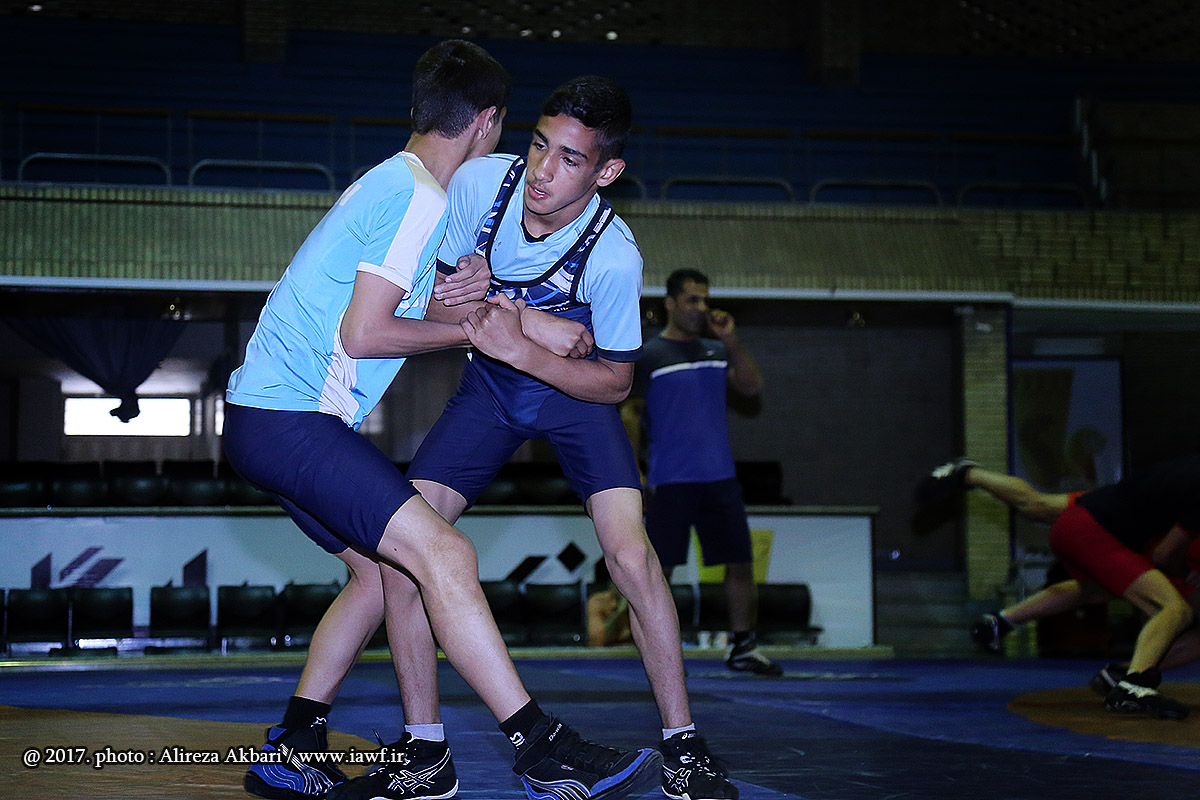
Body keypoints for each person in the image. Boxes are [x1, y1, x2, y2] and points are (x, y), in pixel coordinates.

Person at [223, 42, 659, 800]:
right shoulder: (422, 198)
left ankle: (297, 741)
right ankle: (539, 747)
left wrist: (512, 318)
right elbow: (368, 333)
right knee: (447, 555)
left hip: (267, 418)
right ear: (488, 123)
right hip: (290, 420)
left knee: (385, 571)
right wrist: (487, 334)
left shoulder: (391, 181)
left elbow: (409, 304)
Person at [387, 76, 738, 800]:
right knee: (401, 556)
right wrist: (522, 318)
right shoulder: (481, 183)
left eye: (570, 159)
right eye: (540, 145)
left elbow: (614, 383)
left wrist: (524, 347)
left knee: (632, 557)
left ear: (606, 172)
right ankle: (424, 749)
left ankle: (682, 742)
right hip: (488, 394)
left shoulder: (614, 255)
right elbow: (430, 296)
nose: (543, 171)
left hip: (575, 402)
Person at [919, 456, 1200, 720]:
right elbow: (1165, 556)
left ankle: (1001, 620)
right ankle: (1133, 683)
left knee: (1093, 582)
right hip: (1097, 529)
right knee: (1173, 608)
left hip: (1097, 513)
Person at [621, 269, 781, 677]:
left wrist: (731, 340)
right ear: (670, 303)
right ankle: (663, 654)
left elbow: (751, 387)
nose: (701, 308)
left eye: (705, 299)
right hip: (671, 479)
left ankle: (742, 647)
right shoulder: (650, 355)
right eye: (692, 299)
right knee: (660, 570)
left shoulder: (716, 349)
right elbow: (630, 412)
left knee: (739, 563)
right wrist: (634, 467)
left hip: (719, 477)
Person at [587, 559, 633, 647]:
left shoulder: (643, 602)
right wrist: (620, 612)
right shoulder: (598, 601)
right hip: (608, 652)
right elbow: (597, 641)